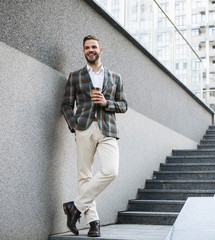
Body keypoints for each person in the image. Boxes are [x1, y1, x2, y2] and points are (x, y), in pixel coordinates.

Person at [61, 35, 127, 237]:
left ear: (101, 50)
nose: (90, 50)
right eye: (87, 47)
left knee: (111, 170)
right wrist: (75, 126)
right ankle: (93, 223)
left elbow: (123, 105)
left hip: (107, 129)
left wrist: (107, 103)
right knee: (84, 176)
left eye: (94, 47)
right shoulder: (75, 76)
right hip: (84, 128)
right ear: (83, 51)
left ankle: (75, 207)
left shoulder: (115, 77)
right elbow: (66, 104)